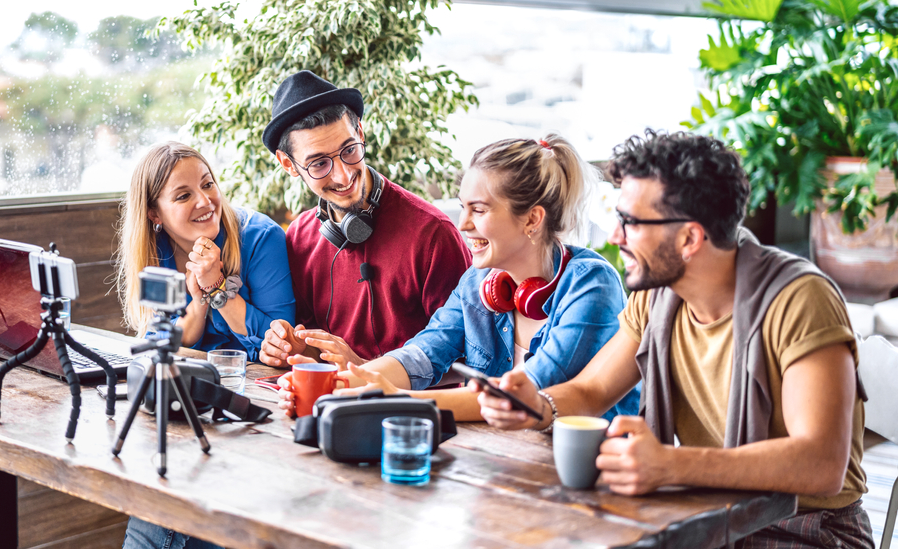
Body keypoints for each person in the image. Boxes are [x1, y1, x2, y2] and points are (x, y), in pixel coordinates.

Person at [476, 130, 872, 548]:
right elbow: (591, 389)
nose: (615, 236)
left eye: (630, 222)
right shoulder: (657, 298)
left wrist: (669, 465)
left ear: (689, 239)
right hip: (708, 516)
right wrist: (538, 405)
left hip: (809, 529)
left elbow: (821, 464)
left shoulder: (799, 300)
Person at [277, 135, 640, 422]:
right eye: (463, 207)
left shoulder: (592, 285)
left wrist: (392, 398)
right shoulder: (479, 281)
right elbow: (424, 353)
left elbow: (522, 396)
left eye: (478, 210)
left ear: (532, 219)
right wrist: (337, 385)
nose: (463, 225)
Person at [116, 142, 296, 549]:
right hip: (188, 406)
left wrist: (218, 287)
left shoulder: (259, 238)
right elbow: (157, 341)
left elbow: (277, 341)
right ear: (154, 213)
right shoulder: (155, 251)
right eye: (183, 196)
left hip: (253, 415)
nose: (205, 201)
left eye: (207, 184)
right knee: (158, 495)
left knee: (173, 506)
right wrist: (198, 303)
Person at [258, 70, 471, 370]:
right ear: (288, 164)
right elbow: (315, 353)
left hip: (410, 412)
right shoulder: (299, 238)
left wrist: (363, 368)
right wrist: (289, 349)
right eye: (319, 163)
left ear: (360, 132)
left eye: (349, 151)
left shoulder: (433, 235)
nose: (343, 175)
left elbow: (465, 363)